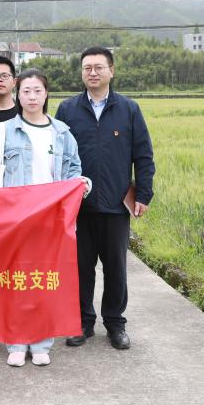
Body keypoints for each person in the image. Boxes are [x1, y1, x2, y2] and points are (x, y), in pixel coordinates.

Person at [0, 69, 86, 367]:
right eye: (26, 91)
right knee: (15, 280)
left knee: (44, 282)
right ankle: (15, 341)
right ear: (18, 94)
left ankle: (41, 342)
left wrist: (78, 187)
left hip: (50, 221)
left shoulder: (61, 133)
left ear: (46, 94)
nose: (32, 97)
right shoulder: (3, 132)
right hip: (14, 221)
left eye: (38, 91)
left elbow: (73, 170)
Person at [55, 47, 155, 351]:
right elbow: (56, 155)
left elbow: (143, 154)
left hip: (115, 205)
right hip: (79, 207)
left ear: (111, 71)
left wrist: (144, 194)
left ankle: (115, 323)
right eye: (87, 68)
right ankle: (82, 322)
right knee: (80, 268)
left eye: (99, 67)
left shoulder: (129, 109)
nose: (93, 73)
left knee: (115, 269)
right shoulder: (68, 109)